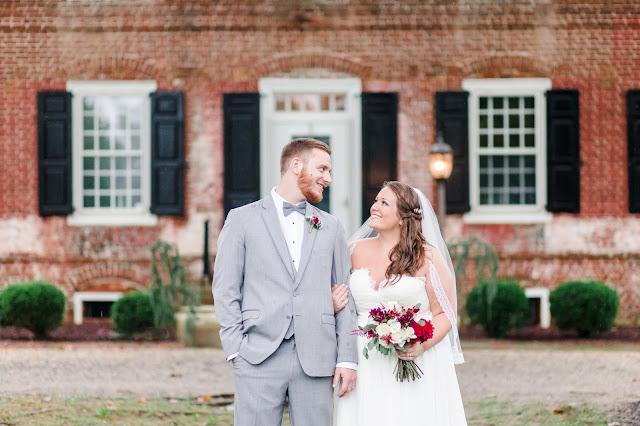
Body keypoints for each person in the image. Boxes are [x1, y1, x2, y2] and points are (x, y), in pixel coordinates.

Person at [212, 138, 358, 426]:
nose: (328, 178)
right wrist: (235, 350)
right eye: (322, 169)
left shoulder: (331, 226)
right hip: (257, 355)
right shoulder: (241, 220)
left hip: (317, 357)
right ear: (296, 165)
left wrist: (347, 359)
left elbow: (346, 294)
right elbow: (225, 288)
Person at [332, 181, 467, 425]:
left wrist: (420, 345)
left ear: (404, 217)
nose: (375, 207)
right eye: (376, 201)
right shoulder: (352, 250)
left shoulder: (427, 257)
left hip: (414, 359)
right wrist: (331, 304)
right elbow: (336, 298)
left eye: (384, 203)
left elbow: (445, 313)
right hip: (364, 360)